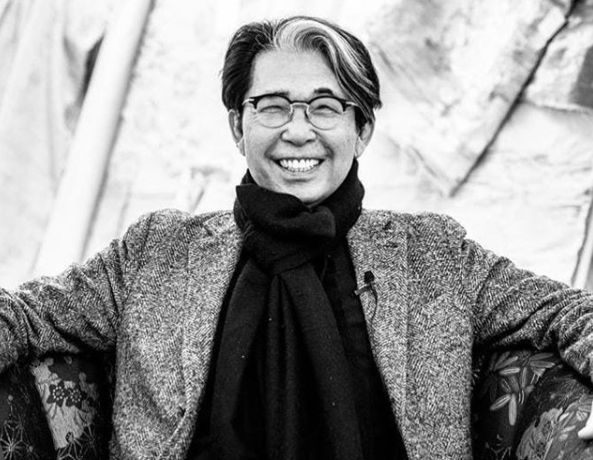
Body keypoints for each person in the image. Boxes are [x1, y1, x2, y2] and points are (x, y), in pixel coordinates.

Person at [2, 14, 593, 460]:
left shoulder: (433, 255)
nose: (299, 131)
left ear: (362, 130)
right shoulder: (157, 252)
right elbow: (27, 314)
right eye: (273, 106)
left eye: (325, 107)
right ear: (239, 126)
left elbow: (566, 312)